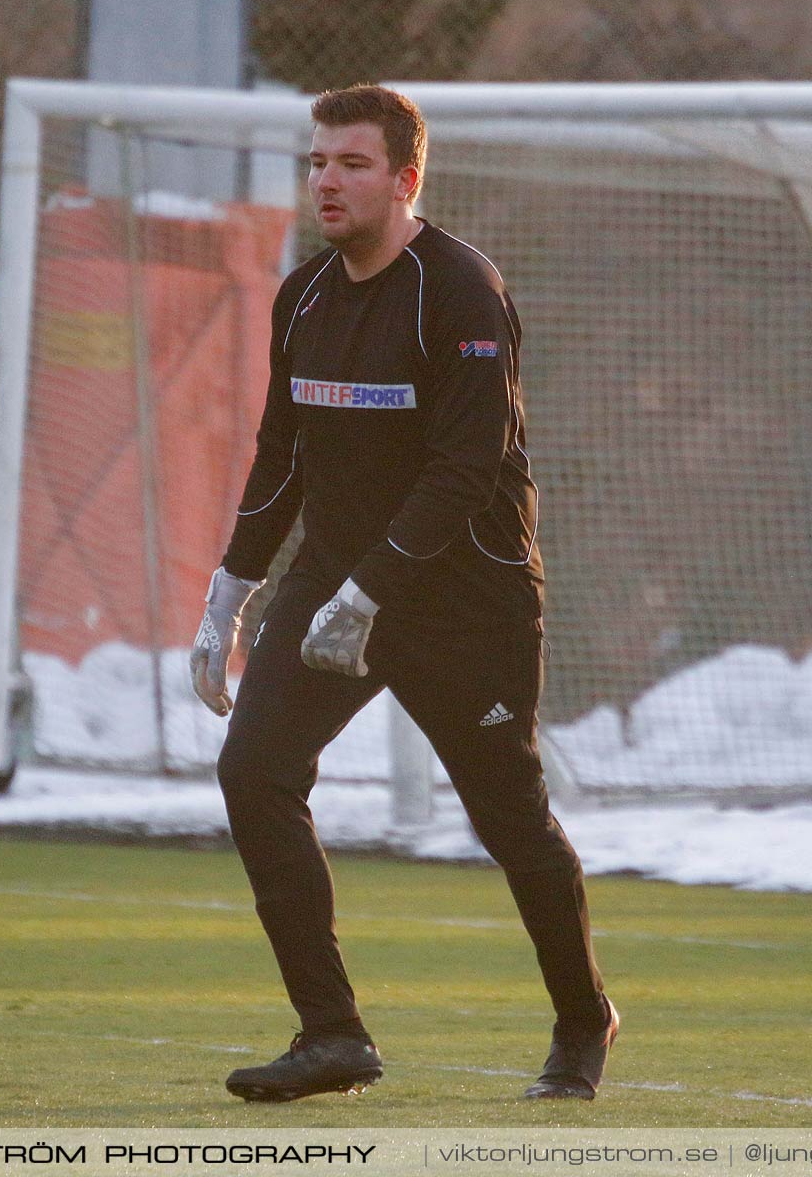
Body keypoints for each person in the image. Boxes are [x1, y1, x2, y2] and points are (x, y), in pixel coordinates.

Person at [188, 84, 616, 1103]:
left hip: (467, 601)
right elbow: (281, 459)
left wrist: (371, 593)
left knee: (509, 819)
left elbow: (468, 467)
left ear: (406, 179)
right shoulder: (303, 298)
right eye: (318, 163)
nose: (327, 181)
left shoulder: (461, 290)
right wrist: (229, 591)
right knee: (254, 772)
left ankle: (581, 1019)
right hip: (333, 585)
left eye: (353, 164)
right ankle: (332, 1035)